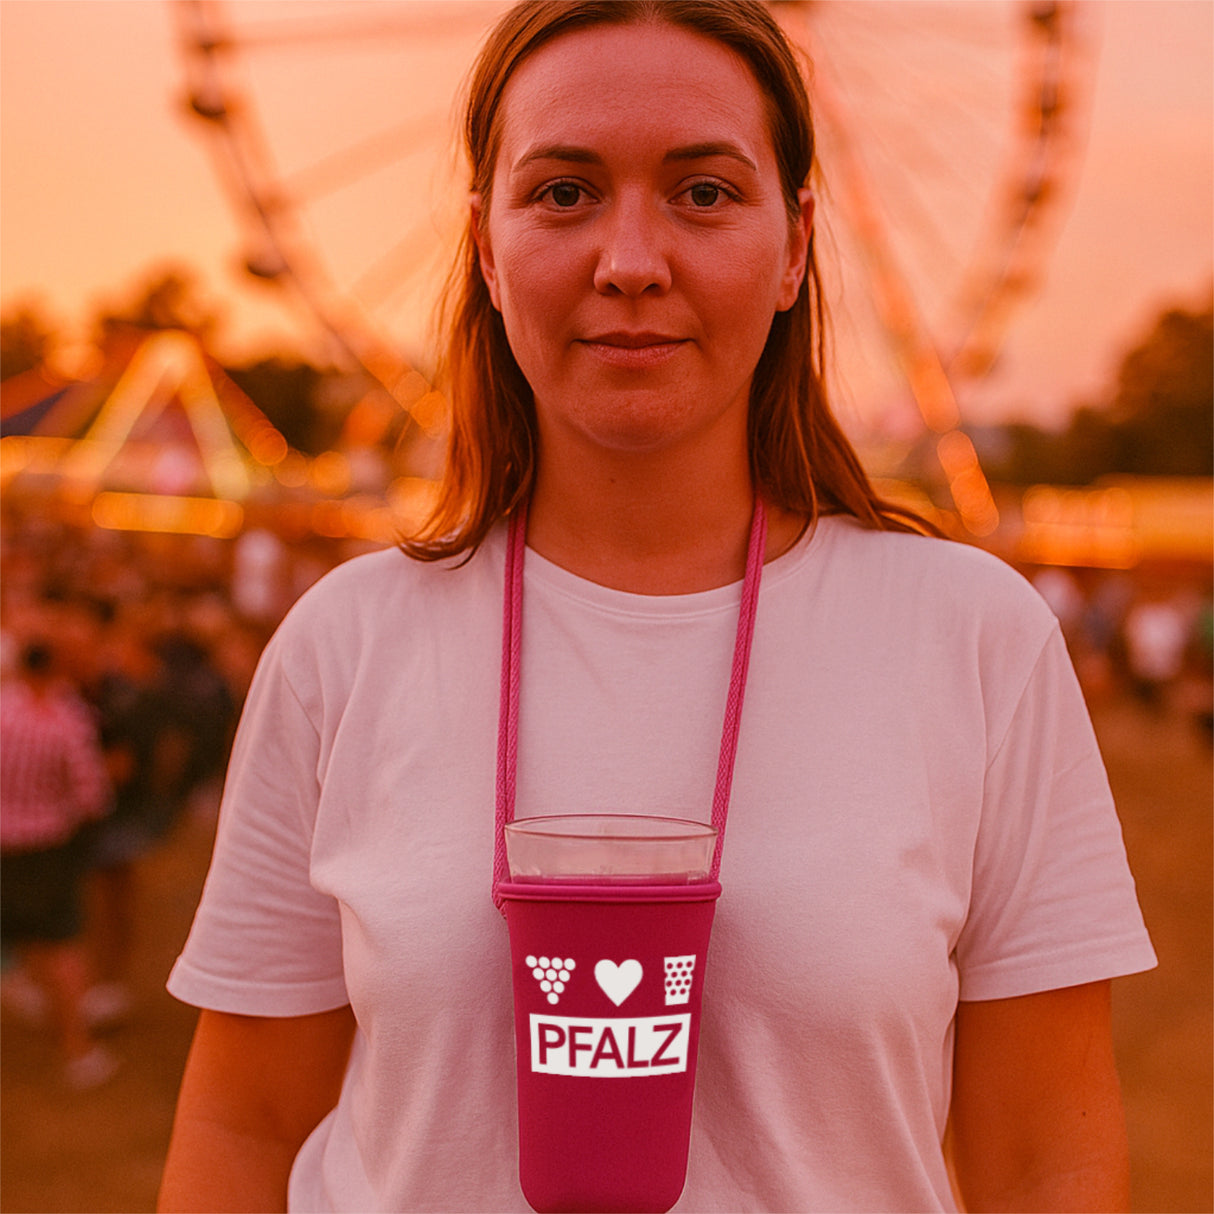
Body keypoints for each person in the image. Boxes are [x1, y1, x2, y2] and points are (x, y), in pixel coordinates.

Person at [159, 3, 1156, 1211]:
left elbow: (1045, 1153)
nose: (629, 260)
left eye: (702, 193)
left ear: (794, 245)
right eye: (564, 193)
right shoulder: (345, 643)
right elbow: (243, 1122)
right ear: (483, 245)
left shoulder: (972, 638)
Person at [0, 640, 117, 1087]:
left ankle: (29, 991)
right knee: (62, 942)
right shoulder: (68, 720)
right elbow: (92, 795)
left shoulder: (4, 708)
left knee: (23, 932)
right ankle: (77, 1048)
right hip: (46, 844)